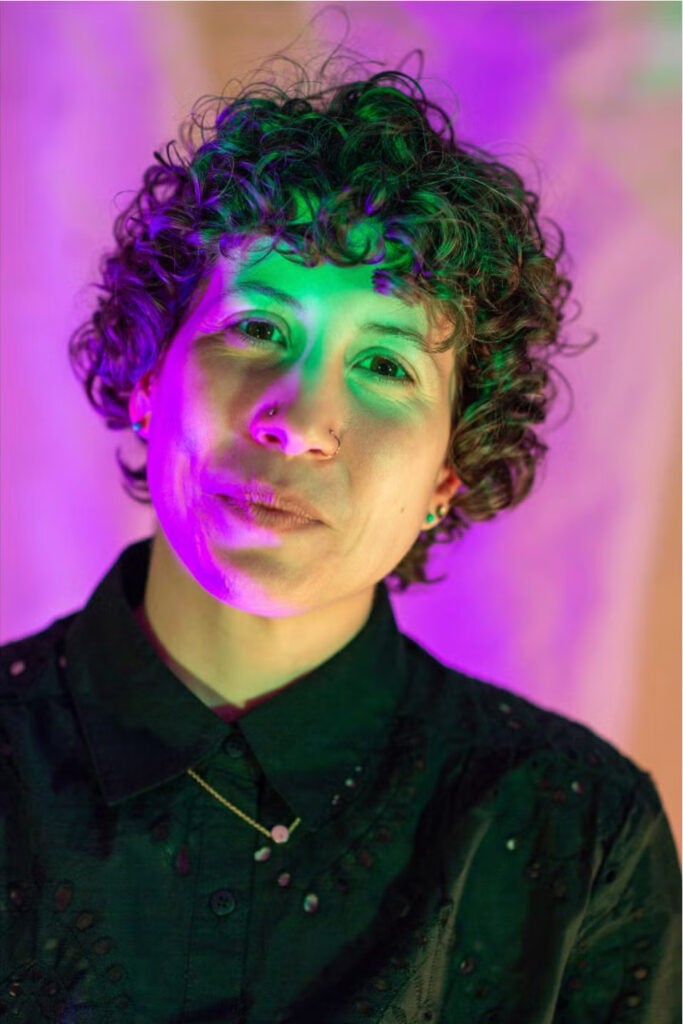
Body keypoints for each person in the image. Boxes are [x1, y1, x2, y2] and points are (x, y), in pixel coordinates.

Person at [1, 62, 680, 1024]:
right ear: (150, 380)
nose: (302, 416)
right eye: (257, 326)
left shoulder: (581, 836)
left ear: (450, 469)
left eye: (384, 363)